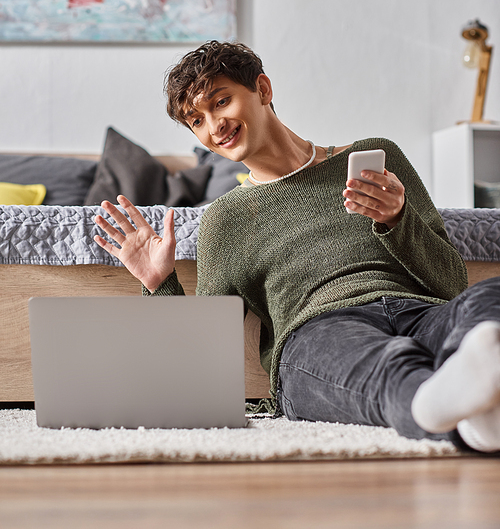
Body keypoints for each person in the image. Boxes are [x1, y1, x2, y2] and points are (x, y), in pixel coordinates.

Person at [94, 41, 500, 453]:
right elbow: (203, 359)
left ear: (263, 89)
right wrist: (159, 281)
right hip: (319, 331)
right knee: (383, 368)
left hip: (419, 314)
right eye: (197, 120)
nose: (214, 126)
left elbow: (452, 284)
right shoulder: (226, 219)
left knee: (491, 295)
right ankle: (439, 400)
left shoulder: (377, 158)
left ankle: (474, 408)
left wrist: (397, 218)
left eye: (221, 101)